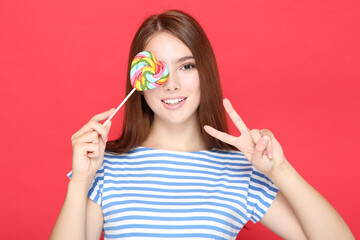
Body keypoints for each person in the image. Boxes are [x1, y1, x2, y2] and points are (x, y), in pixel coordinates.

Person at [50, 9, 354, 240]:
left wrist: (279, 170)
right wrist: (79, 182)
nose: (171, 84)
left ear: (205, 71)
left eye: (186, 66)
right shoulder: (104, 166)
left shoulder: (240, 170)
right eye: (158, 69)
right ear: (139, 80)